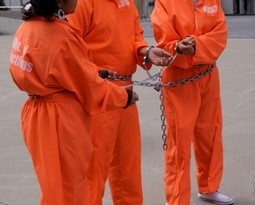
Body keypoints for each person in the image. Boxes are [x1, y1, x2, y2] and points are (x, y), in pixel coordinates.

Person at [9, 0, 140, 204]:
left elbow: (61, 68)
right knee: (70, 189)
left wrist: (96, 72)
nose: (79, 1)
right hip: (61, 116)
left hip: (37, 110)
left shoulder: (28, 28)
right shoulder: (60, 36)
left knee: (54, 188)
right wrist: (124, 97)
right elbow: (89, 86)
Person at [67, 0, 173, 204]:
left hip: (126, 93)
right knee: (92, 172)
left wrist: (145, 51)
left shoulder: (126, 2)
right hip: (96, 97)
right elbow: (70, 49)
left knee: (128, 167)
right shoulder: (81, 4)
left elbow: (134, 36)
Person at [151, 0, 235, 205]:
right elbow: (163, 37)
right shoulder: (166, 2)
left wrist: (197, 46)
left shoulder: (212, 2)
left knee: (210, 132)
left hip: (208, 74)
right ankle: (177, 199)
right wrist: (177, 47)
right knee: (179, 139)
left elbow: (219, 33)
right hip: (179, 77)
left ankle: (209, 186)